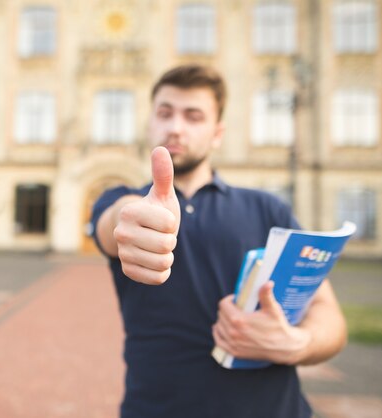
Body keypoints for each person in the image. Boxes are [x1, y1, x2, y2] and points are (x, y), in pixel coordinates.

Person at [90, 64, 347, 418]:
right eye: (165, 113)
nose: (175, 127)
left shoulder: (267, 209)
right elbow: (113, 223)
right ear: (150, 122)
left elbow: (328, 314)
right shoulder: (123, 200)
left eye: (193, 116)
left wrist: (297, 343)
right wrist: (129, 222)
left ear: (217, 133)